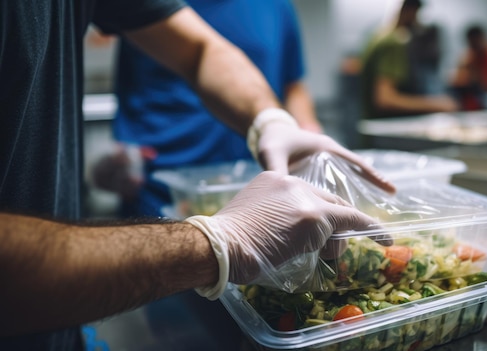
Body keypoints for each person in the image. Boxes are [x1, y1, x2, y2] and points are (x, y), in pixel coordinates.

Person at [0, 1, 395, 350]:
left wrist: (270, 120)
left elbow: (200, 51)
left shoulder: (276, 7)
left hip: (65, 321)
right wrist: (216, 243)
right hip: (155, 223)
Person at [94, 0, 324, 217]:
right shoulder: (144, 8)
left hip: (255, 185)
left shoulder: (276, 5)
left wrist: (305, 132)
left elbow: (293, 85)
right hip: (161, 190)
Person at [360, 0, 458, 120]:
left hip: (371, 126)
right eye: (416, 13)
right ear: (407, 11)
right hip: (388, 128)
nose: (417, 20)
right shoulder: (393, 42)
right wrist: (437, 105)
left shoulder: (377, 36)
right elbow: (385, 99)